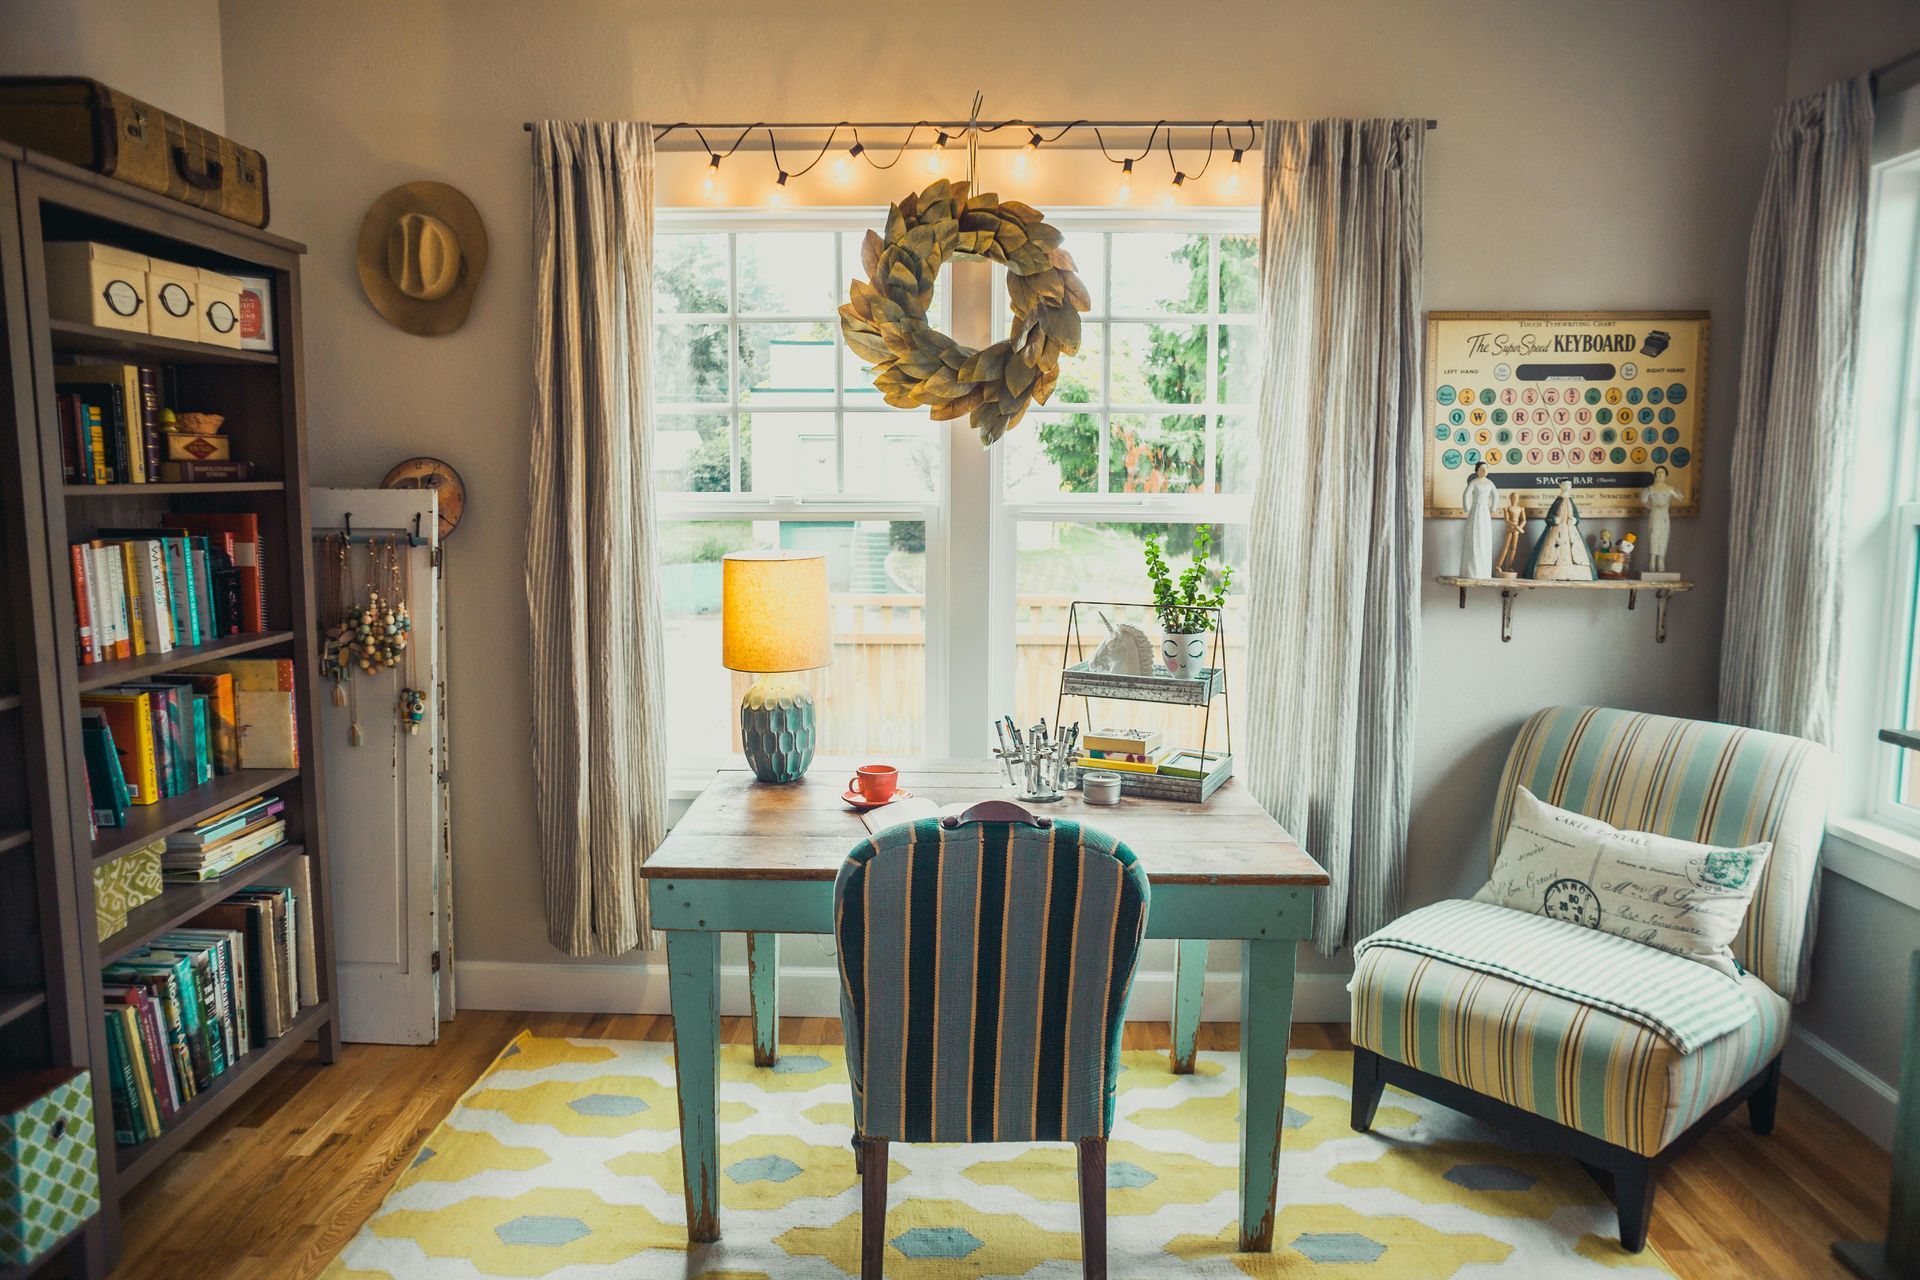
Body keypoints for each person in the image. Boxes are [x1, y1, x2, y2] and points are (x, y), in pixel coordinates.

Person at [1524, 481, 1597, 581]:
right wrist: (1554, 520)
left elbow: (1577, 517)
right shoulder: (1558, 501)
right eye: (1564, 485)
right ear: (1560, 486)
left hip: (1571, 531)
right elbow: (1549, 517)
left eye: (1569, 485)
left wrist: (1575, 520)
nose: (1567, 487)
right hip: (1556, 532)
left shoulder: (1570, 501)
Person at [1459, 461, 1499, 578]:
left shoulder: (1490, 483)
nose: (1484, 471)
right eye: (1481, 469)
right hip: (1475, 511)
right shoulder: (1474, 482)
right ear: (1477, 471)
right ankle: (1471, 571)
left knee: (1484, 536)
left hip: (1485, 512)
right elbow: (1466, 494)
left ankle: (1483, 571)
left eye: (1486, 469)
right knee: (1474, 536)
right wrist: (1467, 507)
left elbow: (1495, 495)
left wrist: (1493, 507)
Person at [1642, 465, 1681, 574]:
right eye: (1658, 472)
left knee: (1663, 537)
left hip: (1664, 515)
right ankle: (1652, 563)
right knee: (1653, 536)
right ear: (1655, 474)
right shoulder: (1650, 489)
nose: (1660, 475)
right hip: (1654, 515)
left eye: (1662, 473)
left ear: (1665, 475)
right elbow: (1644, 501)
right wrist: (1653, 506)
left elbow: (1680, 497)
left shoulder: (1669, 489)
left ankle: (1661, 562)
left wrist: (1672, 491)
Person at [1496, 491, 1529, 578]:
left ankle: (1510, 567)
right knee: (1505, 548)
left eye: (1516, 497)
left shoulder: (1521, 508)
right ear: (1510, 498)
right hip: (1510, 529)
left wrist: (1520, 527)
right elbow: (1507, 520)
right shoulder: (1507, 508)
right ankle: (1498, 566)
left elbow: (1524, 520)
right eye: (1513, 497)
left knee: (1513, 549)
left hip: (1517, 530)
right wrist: (1516, 526)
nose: (1514, 499)